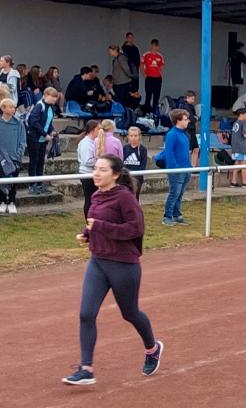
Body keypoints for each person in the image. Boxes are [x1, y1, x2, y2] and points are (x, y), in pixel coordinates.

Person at [62, 154, 163, 386]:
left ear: (115, 174)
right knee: (86, 314)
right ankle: (86, 369)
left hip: (123, 264)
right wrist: (87, 234)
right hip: (97, 261)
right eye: (95, 169)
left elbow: (135, 229)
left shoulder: (125, 198)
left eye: (102, 170)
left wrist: (101, 227)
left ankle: (152, 348)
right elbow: (93, 221)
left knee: (130, 313)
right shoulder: (97, 195)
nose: (96, 173)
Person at [25, 87, 59, 195]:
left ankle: (39, 184)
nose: (54, 99)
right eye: (52, 97)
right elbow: (34, 122)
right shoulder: (39, 106)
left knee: (41, 161)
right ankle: (32, 185)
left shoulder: (51, 108)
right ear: (45, 95)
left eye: (55, 97)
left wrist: (52, 131)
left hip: (43, 139)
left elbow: (48, 122)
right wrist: (45, 134)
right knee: (34, 162)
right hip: (34, 138)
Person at [161, 110, 191, 227]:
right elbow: (169, 153)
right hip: (176, 170)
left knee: (179, 193)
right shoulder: (172, 134)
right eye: (185, 119)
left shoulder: (183, 134)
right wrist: (175, 168)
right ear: (178, 121)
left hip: (185, 169)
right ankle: (167, 216)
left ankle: (176, 214)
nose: (187, 121)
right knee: (174, 193)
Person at [0, 98, 26, 214]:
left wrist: (18, 154)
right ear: (3, 108)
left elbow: (22, 141)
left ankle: (11, 202)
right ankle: (2, 202)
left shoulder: (19, 123)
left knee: (13, 182)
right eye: (10, 107)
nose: (13, 109)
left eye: (14, 107)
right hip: (1, 159)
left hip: (14, 158)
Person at [77, 120, 104, 221]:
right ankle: (88, 220)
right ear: (93, 130)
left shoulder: (93, 142)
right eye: (98, 129)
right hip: (86, 174)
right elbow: (87, 161)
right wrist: (99, 161)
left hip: (92, 173)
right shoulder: (85, 143)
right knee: (89, 198)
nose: (100, 131)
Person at [122, 127, 148, 200]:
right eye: (131, 136)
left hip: (137, 178)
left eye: (135, 136)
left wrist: (135, 176)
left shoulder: (143, 149)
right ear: (128, 136)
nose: (133, 138)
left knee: (135, 197)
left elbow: (143, 166)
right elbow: (122, 163)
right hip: (126, 177)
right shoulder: (124, 148)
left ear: (139, 136)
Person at [142, 39, 164, 112]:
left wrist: (160, 74)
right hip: (149, 78)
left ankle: (154, 113)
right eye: (153, 46)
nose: (154, 48)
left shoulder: (160, 56)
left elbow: (161, 66)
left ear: (158, 47)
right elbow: (141, 65)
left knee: (156, 96)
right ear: (151, 46)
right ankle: (146, 113)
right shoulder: (146, 55)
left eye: (156, 46)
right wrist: (144, 74)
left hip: (157, 78)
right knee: (148, 95)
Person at [229, 109, 246, 187]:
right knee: (243, 164)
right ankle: (244, 182)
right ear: (241, 115)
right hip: (240, 146)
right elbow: (245, 135)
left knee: (237, 163)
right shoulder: (243, 123)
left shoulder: (235, 123)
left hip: (234, 146)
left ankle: (233, 181)